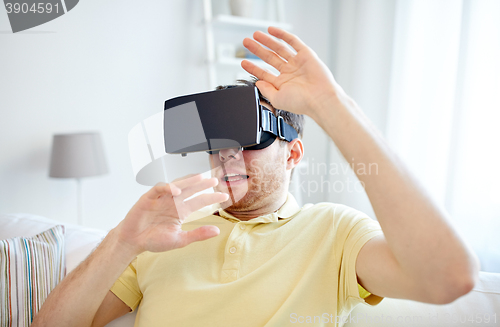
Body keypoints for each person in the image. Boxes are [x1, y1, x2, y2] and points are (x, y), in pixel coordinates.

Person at [32, 27, 479, 327]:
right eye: (217, 144)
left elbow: (448, 278)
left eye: (247, 140)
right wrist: (121, 241)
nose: (227, 156)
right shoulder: (164, 236)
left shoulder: (335, 233)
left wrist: (329, 104)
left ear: (293, 154)